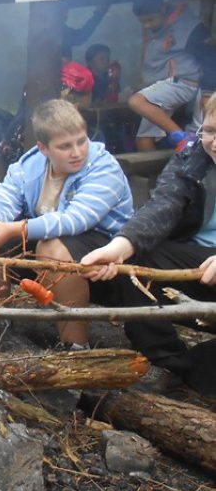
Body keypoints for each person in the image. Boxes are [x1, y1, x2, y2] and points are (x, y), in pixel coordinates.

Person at [80, 98, 216, 395]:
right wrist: (122, 245)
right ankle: (166, 362)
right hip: (196, 263)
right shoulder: (193, 157)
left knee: (205, 375)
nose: (214, 143)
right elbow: (164, 204)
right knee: (139, 259)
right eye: (209, 131)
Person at [0, 99, 133, 347]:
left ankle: (75, 346)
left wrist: (14, 229)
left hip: (107, 254)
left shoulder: (104, 167)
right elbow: (1, 197)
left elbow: (76, 219)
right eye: (65, 146)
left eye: (81, 141)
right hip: (47, 241)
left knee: (52, 249)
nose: (77, 152)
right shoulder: (29, 165)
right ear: (43, 148)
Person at [127, 0, 212, 151]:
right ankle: (156, 169)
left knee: (136, 102)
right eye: (142, 22)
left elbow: (210, 61)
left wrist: (208, 92)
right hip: (165, 86)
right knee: (143, 139)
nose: (146, 26)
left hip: (185, 83)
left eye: (150, 20)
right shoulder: (155, 31)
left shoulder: (189, 27)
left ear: (163, 9)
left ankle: (184, 139)